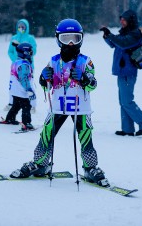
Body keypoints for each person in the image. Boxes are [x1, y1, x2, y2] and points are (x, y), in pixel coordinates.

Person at [10, 19, 109, 187]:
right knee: (47, 133)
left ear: (81, 39)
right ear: (58, 39)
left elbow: (93, 84)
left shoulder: (86, 61)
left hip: (80, 107)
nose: (70, 43)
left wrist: (84, 78)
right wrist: (44, 77)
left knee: (85, 135)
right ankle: (40, 164)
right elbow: (46, 84)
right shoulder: (54, 61)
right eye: (66, 39)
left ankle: (90, 167)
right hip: (58, 106)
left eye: (75, 39)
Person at [100, 9, 142, 137]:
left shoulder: (135, 34)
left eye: (124, 19)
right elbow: (114, 44)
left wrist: (111, 36)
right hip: (121, 71)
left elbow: (123, 44)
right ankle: (127, 129)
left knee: (127, 101)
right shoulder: (124, 33)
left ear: (130, 20)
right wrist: (107, 35)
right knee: (123, 101)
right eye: (121, 19)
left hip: (128, 72)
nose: (121, 21)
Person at [0, 43, 36, 131]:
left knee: (16, 105)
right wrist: (29, 90)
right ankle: (26, 123)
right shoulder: (23, 64)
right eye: (30, 52)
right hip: (22, 91)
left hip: (15, 90)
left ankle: (10, 118)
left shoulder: (17, 62)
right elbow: (24, 78)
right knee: (26, 106)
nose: (31, 54)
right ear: (25, 53)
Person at [5, 19, 37, 112]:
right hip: (15, 67)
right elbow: (10, 51)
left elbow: (34, 51)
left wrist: (24, 54)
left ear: (26, 27)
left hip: (28, 65)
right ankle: (11, 103)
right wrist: (16, 60)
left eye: (23, 27)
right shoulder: (14, 38)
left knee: (28, 84)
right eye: (19, 26)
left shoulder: (30, 38)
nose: (21, 28)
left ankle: (32, 105)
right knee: (14, 85)